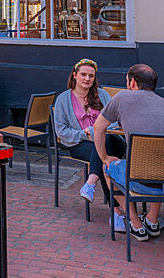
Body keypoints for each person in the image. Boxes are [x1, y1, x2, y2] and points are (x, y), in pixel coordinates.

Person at [93, 64, 164, 241]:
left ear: (132, 82)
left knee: (108, 168)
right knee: (161, 160)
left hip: (142, 182)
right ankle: (152, 219)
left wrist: (104, 157)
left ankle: (136, 224)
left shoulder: (122, 97)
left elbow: (98, 127)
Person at [53, 59, 124, 206]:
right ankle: (116, 212)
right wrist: (85, 134)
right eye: (83, 74)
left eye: (91, 76)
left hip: (111, 140)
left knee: (105, 144)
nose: (87, 79)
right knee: (106, 161)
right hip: (81, 144)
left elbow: (116, 121)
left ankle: (91, 181)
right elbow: (61, 131)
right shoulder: (63, 99)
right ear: (74, 75)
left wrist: (100, 132)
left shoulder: (103, 95)